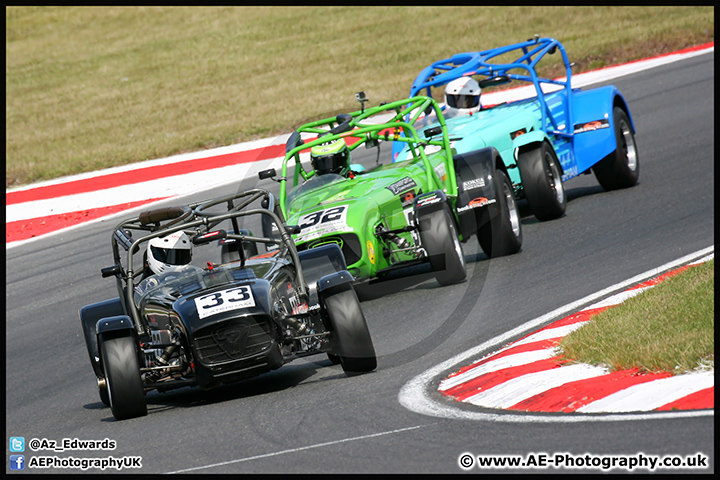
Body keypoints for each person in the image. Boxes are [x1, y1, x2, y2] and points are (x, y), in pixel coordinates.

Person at [135, 231, 194, 299]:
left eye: (181, 256)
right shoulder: (143, 289)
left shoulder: (193, 279)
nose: (174, 262)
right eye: (169, 257)